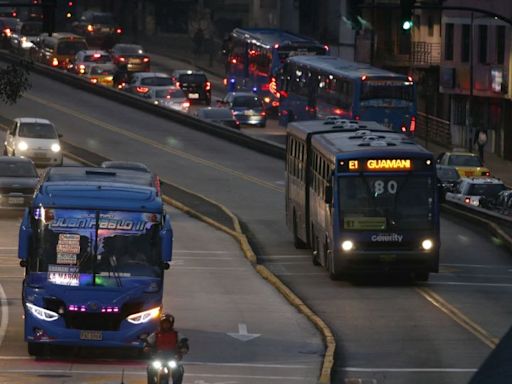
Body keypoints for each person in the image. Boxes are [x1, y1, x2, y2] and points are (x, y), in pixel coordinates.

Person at [146, 313, 189, 384]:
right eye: (164, 323)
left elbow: (184, 341)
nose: (166, 325)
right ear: (161, 324)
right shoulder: (156, 334)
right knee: (150, 369)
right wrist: (147, 347)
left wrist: (184, 348)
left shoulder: (176, 334)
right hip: (158, 357)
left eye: (168, 323)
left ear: (171, 324)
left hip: (172, 358)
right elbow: (148, 342)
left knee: (179, 370)